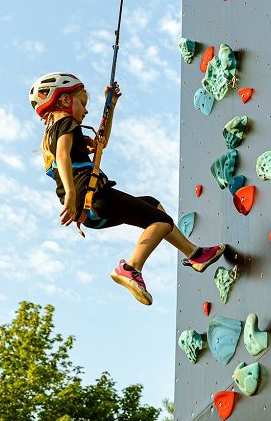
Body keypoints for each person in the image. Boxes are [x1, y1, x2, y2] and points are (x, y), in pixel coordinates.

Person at [29, 72, 225, 305]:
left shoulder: (54, 134)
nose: (86, 110)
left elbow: (101, 143)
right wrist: (71, 194)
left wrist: (110, 106)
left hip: (88, 211)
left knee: (153, 205)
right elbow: (63, 155)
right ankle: (131, 268)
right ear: (63, 101)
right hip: (93, 196)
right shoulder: (65, 123)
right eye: (82, 102)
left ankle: (194, 254)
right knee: (160, 221)